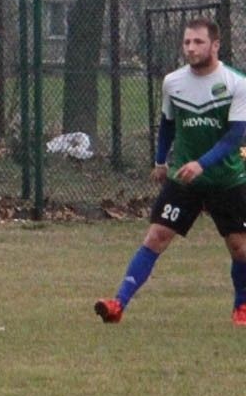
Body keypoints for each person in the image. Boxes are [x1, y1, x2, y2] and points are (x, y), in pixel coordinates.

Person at [95, 18, 246, 325]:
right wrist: (161, 160)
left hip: (226, 179)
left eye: (198, 42)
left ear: (215, 45)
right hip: (184, 179)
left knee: (239, 247)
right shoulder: (172, 82)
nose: (191, 48)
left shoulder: (236, 82)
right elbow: (167, 123)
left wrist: (202, 163)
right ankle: (117, 304)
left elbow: (235, 136)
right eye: (187, 42)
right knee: (156, 236)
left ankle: (242, 305)